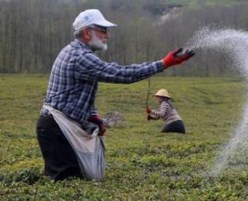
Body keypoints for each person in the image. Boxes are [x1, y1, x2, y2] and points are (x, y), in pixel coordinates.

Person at [36, 9, 194, 181]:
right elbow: (121, 74)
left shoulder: (75, 52)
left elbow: (72, 96)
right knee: (67, 183)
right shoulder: (80, 57)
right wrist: (163, 63)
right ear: (88, 33)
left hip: (56, 127)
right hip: (57, 130)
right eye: (103, 30)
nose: (108, 35)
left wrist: (92, 117)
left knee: (75, 180)